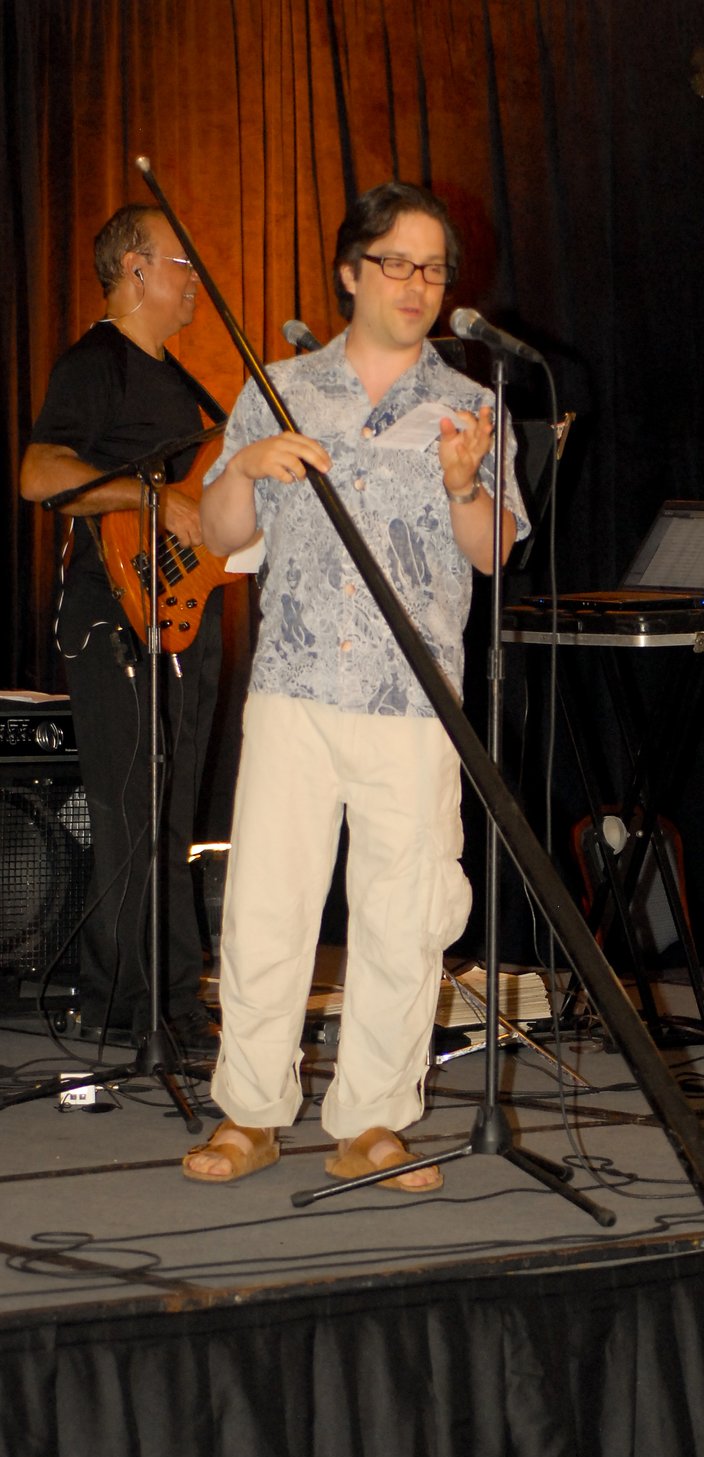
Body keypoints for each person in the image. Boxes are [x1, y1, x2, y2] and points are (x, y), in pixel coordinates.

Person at [184, 180, 526, 1187]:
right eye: (397, 263)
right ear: (350, 271)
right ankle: (247, 1113)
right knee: (266, 905)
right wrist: (246, 463)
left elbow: (495, 552)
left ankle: (373, 1119)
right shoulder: (280, 384)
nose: (418, 284)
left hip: (414, 696)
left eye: (433, 268)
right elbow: (217, 532)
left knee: (405, 908)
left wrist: (467, 485)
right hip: (293, 684)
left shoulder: (470, 403)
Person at [20, 205, 225, 1055]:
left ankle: (174, 1001)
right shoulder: (94, 362)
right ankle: (118, 1006)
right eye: (183, 266)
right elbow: (39, 473)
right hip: (113, 614)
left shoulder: (182, 385)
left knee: (173, 815)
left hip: (186, 616)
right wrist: (149, 497)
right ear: (136, 269)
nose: (195, 284)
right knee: (129, 813)